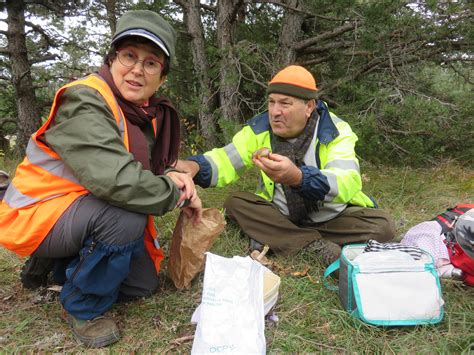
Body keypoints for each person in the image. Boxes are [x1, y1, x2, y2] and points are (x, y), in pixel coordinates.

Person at [0, 10, 202, 348]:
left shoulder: (143, 113)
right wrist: (173, 192)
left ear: (161, 77)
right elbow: (118, 182)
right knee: (125, 213)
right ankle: (84, 306)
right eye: (129, 56)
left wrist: (175, 178)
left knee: (141, 284)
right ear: (112, 59)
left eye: (151, 63)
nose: (138, 69)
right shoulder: (85, 99)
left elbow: (140, 171)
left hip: (79, 212)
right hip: (36, 214)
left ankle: (62, 265)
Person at [177, 65, 395, 265]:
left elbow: (347, 182)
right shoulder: (259, 129)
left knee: (383, 226)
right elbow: (226, 159)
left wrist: (298, 178)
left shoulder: (335, 131)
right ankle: (313, 247)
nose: (275, 112)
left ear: (309, 106)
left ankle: (280, 238)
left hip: (330, 216)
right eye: (271, 102)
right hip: (280, 213)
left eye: (285, 103)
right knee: (235, 204)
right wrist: (196, 166)